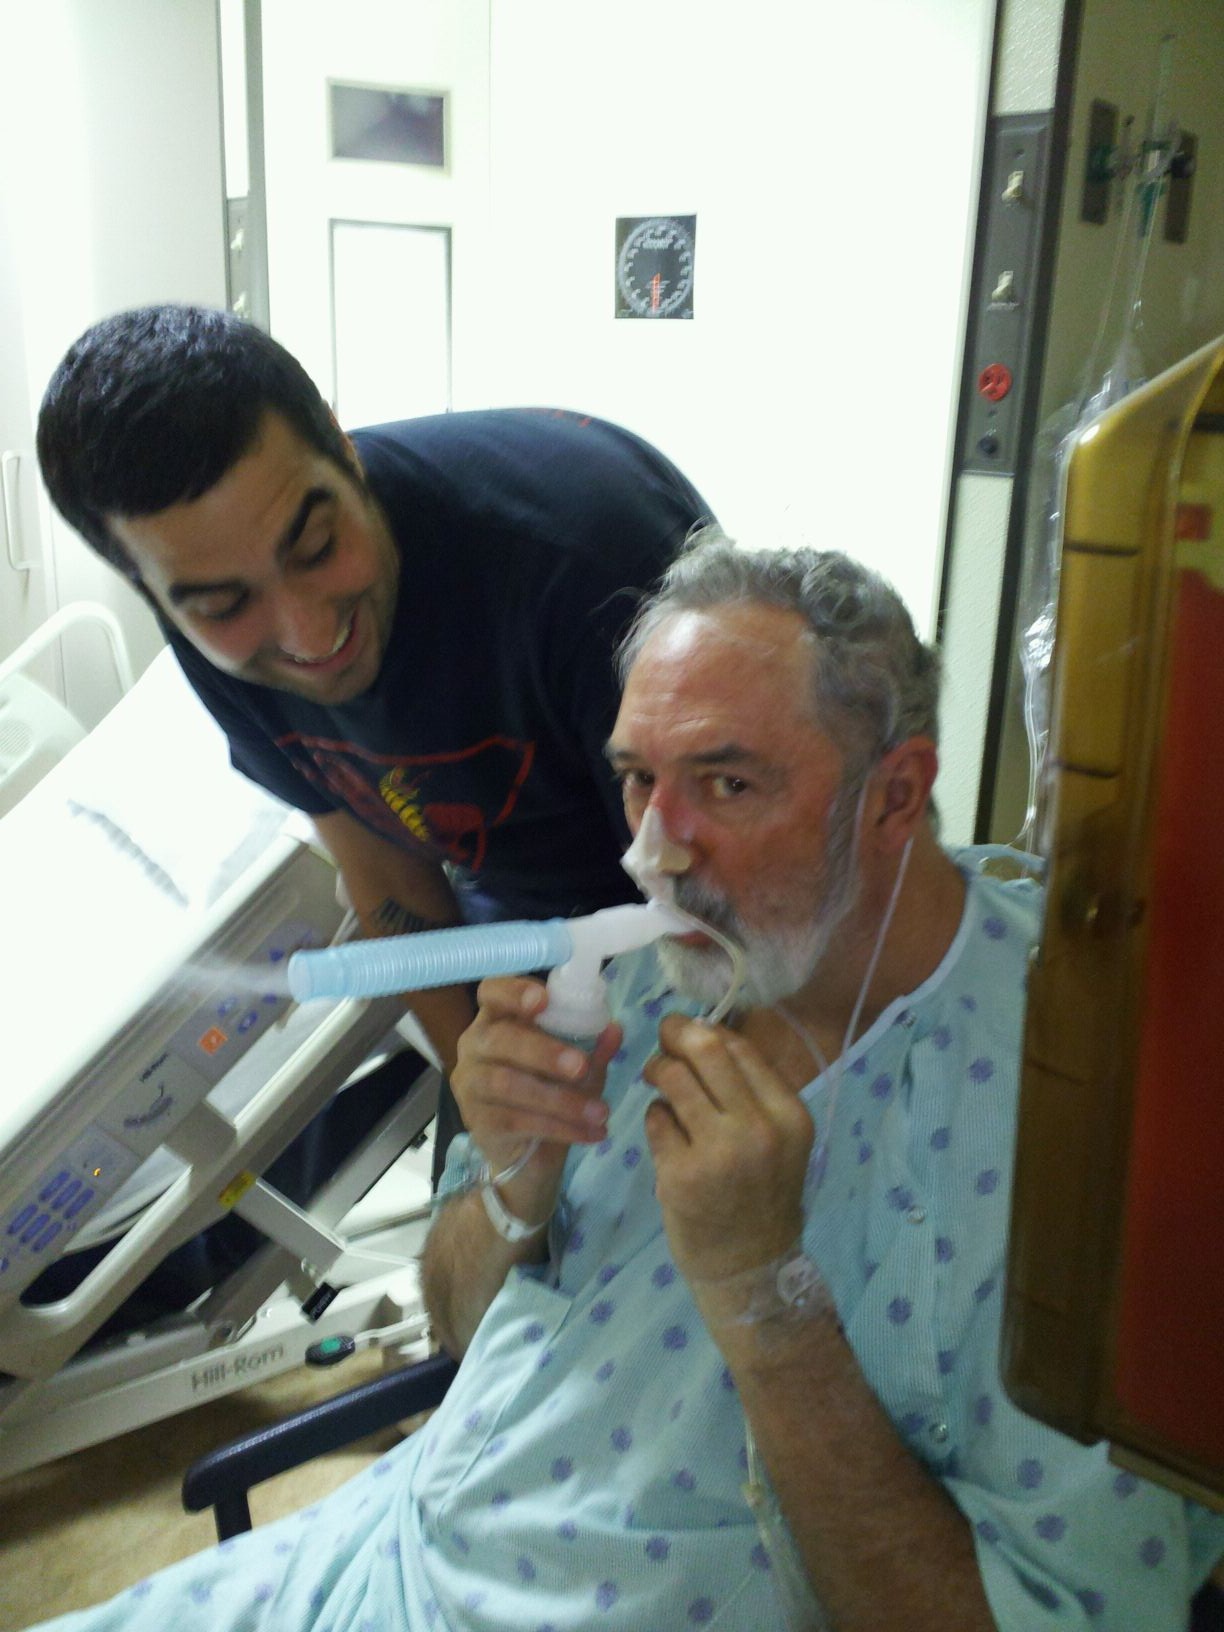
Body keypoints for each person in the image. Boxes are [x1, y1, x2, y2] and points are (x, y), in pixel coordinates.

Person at [23, 534, 1223, 1632]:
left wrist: (764, 1293)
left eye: (727, 784)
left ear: (895, 796)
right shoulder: (643, 982)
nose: (652, 851)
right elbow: (455, 1321)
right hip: (375, 1554)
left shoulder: (1079, 1135)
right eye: (639, 778)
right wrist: (511, 1185)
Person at [35, 304, 711, 1225]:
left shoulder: (584, 560)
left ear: (343, 448)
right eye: (224, 605)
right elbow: (386, 875)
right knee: (488, 1253)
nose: (307, 634)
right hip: (520, 928)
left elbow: (743, 891)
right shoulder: (208, 641)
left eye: (317, 548)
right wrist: (490, 1111)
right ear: (148, 586)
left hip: (706, 908)